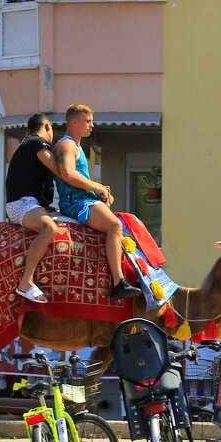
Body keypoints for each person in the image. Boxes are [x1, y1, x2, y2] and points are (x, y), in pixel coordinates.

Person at [53, 103, 142, 300]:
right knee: (114, 225)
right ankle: (119, 282)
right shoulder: (67, 145)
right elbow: (68, 174)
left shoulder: (78, 147)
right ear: (75, 122)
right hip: (76, 201)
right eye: (88, 121)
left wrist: (100, 191)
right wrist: (97, 188)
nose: (92, 125)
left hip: (84, 198)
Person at [4, 113, 61, 303]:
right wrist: (94, 187)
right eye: (52, 129)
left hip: (31, 202)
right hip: (23, 203)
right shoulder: (37, 144)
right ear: (46, 126)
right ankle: (26, 282)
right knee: (49, 228)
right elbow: (62, 172)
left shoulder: (27, 145)